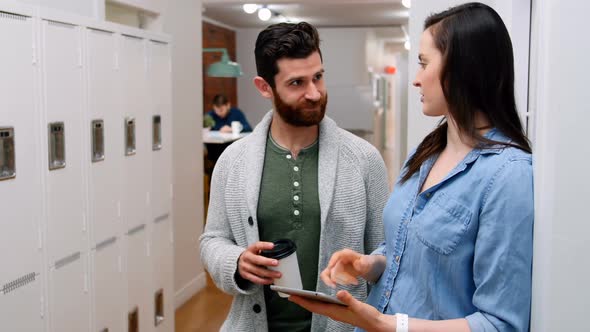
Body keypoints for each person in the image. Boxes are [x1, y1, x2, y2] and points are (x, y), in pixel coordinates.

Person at [289, 3, 534, 332]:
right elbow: (406, 253)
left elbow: (499, 323)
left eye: (423, 64)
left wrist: (387, 324)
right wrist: (370, 264)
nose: (416, 80)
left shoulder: (508, 175)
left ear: (464, 69)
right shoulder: (427, 151)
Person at [199, 22, 390, 332]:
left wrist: (368, 268)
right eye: (297, 83)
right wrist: (236, 261)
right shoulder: (233, 161)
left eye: (318, 77)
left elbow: (388, 252)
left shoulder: (364, 159)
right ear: (264, 88)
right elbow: (212, 239)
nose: (314, 93)